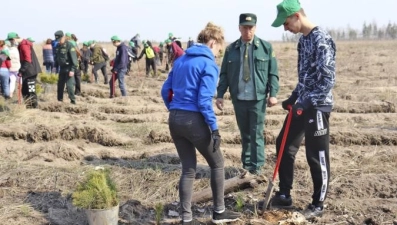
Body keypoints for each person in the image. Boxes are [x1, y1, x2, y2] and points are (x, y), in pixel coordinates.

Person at [161, 22, 241, 225]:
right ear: (213, 42)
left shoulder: (180, 60)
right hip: (193, 120)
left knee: (188, 169)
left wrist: (174, 108)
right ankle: (219, 212)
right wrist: (214, 128)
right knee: (217, 164)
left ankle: (186, 218)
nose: (218, 53)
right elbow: (204, 101)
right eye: (219, 49)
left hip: (175, 119)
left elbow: (164, 90)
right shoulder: (208, 64)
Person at [269, 0, 336, 219]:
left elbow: (326, 80)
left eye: (286, 23)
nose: (285, 28)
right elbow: (305, 77)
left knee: (316, 155)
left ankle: (318, 203)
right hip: (303, 104)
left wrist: (306, 103)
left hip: (317, 106)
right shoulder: (303, 41)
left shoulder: (321, 39)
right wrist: (294, 97)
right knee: (284, 144)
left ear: (297, 16)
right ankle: (285, 194)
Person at [216, 13, 279, 175]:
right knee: (244, 134)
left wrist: (273, 93)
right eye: (244, 27)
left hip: (257, 98)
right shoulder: (231, 50)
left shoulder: (266, 48)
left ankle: (257, 167)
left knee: (256, 133)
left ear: (255, 28)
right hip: (239, 98)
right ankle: (247, 165)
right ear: (239, 28)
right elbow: (224, 74)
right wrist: (220, 94)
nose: (247, 31)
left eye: (250, 27)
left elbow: (273, 73)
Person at [7, 32, 41, 108]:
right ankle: (29, 107)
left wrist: (21, 71)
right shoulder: (21, 45)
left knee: (31, 90)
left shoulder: (24, 45)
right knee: (25, 91)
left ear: (14, 39)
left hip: (30, 71)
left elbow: (27, 60)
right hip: (27, 71)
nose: (11, 42)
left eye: (11, 41)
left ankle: (34, 107)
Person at [54, 30, 78, 104]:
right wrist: (55, 66)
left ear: (63, 37)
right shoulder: (58, 46)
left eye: (59, 39)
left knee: (69, 86)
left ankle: (73, 101)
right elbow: (57, 57)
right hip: (62, 69)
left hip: (69, 68)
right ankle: (59, 101)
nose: (58, 41)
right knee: (60, 85)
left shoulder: (69, 45)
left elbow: (74, 59)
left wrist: (72, 70)